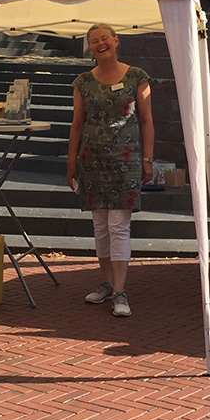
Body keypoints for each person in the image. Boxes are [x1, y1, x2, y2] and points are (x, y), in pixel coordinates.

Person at [66, 24, 154, 318]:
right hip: (92, 162)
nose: (100, 44)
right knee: (100, 227)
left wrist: (148, 159)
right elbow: (77, 124)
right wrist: (71, 163)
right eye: (94, 41)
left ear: (116, 41)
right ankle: (106, 283)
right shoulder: (82, 82)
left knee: (119, 226)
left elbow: (146, 121)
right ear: (90, 48)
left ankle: (120, 291)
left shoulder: (137, 77)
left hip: (125, 163)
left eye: (105, 38)